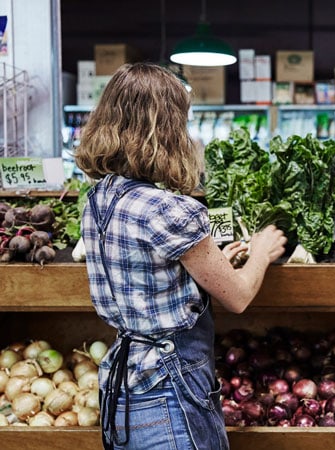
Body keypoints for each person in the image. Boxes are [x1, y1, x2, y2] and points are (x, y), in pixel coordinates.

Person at [75, 62, 287, 450]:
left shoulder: (98, 199)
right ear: (166, 130)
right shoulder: (170, 210)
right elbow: (238, 297)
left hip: (123, 388)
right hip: (171, 391)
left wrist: (212, 257)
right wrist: (261, 252)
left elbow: (149, 270)